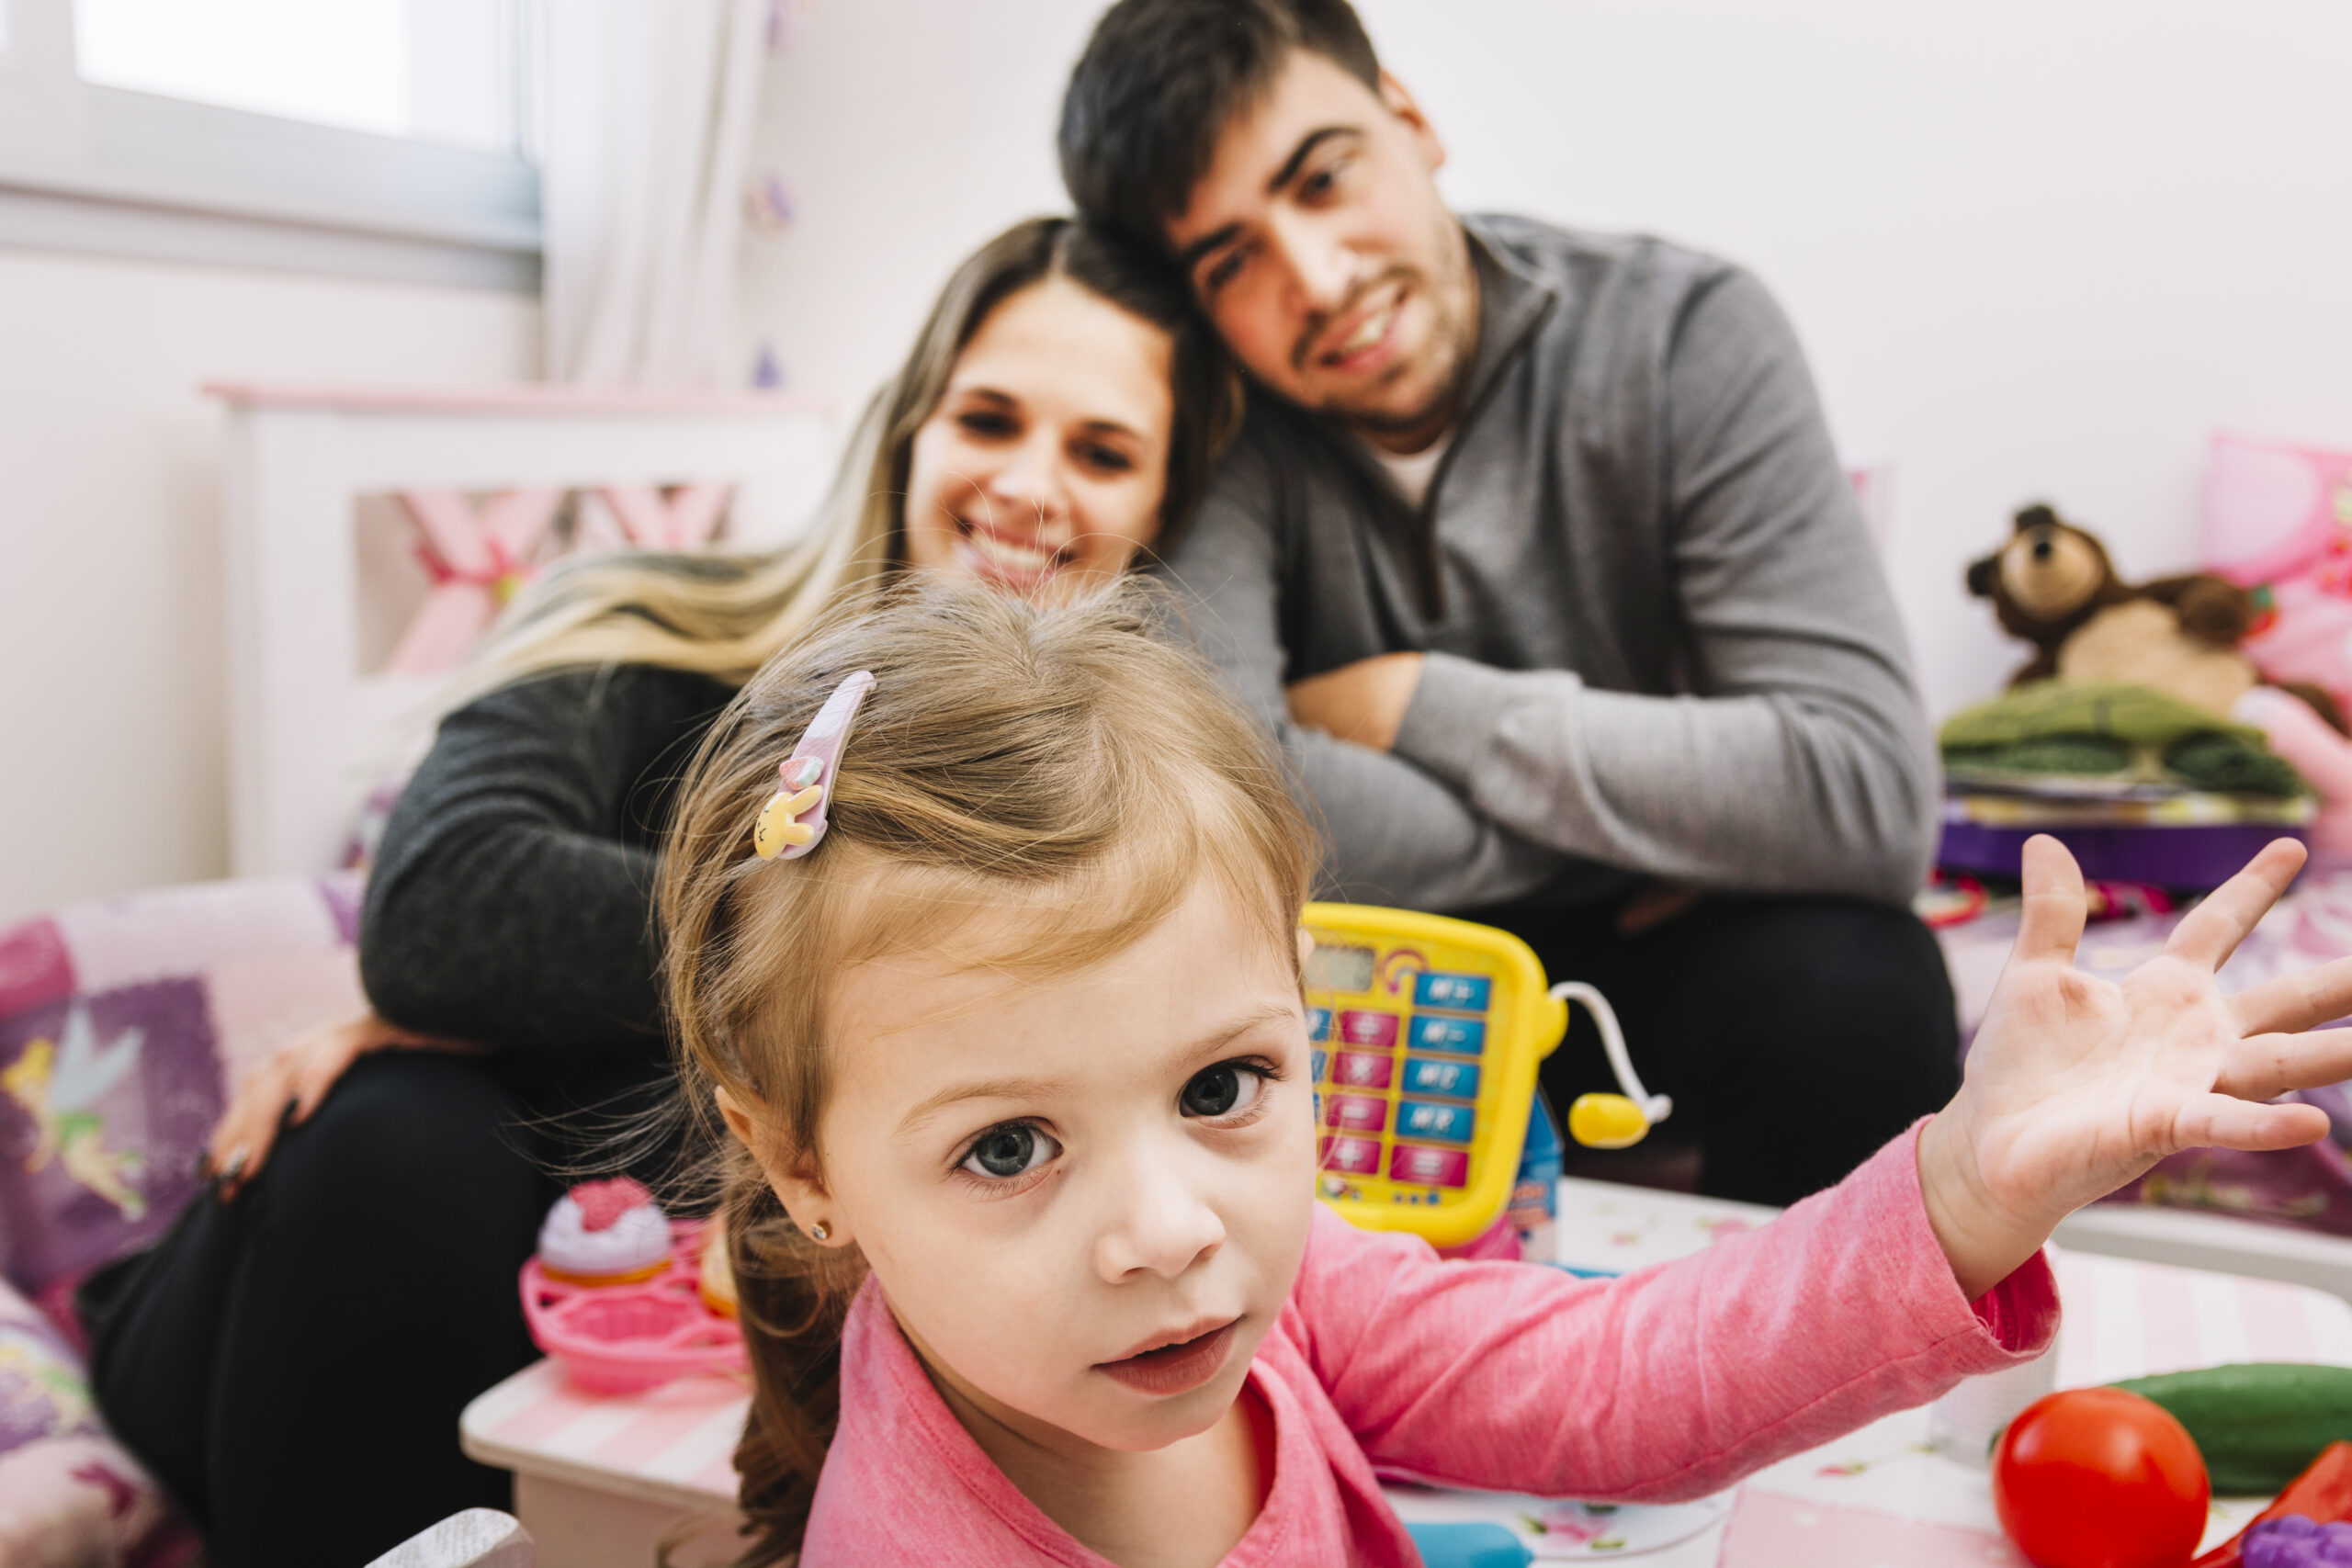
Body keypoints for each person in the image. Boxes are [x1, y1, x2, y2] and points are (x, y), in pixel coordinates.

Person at [664, 579, 2352, 1566]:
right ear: (799, 1162)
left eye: (1219, 1088)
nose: (1168, 1230)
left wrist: (1970, 1183)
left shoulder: (1280, 1281)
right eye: (1011, 1145)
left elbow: (1622, 1380)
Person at [80, 216, 1239, 1568]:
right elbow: (441, 910)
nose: (1032, 484)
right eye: (988, 417)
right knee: (406, 1129)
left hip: (635, 1343)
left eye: (1102, 452)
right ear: (907, 429)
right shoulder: (645, 623)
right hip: (309, 1303)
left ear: (1164, 513)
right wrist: (887, 977)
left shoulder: (1114, 813)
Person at [1057, 0, 1958, 1204]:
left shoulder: (1682, 337)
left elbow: (1867, 793)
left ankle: (1818, 1378)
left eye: (1323, 180)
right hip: (1363, 967)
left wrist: (1417, 703)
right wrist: (1635, 831)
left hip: (1655, 965)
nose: (1317, 282)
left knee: (1862, 982)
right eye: (1234, 261)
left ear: (1410, 119)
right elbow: (1226, 800)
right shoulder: (1218, 417)